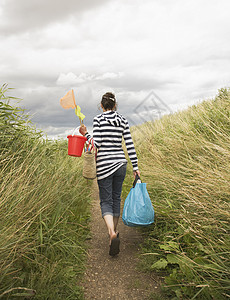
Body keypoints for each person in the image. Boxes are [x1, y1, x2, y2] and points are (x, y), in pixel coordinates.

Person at [79, 92, 140, 256]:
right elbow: (129, 144)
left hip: (105, 166)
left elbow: (96, 143)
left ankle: (112, 233)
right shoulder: (123, 120)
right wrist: (135, 167)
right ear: (115, 105)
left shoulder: (98, 119)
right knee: (116, 199)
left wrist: (85, 134)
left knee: (105, 201)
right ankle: (113, 234)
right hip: (121, 164)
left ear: (101, 105)